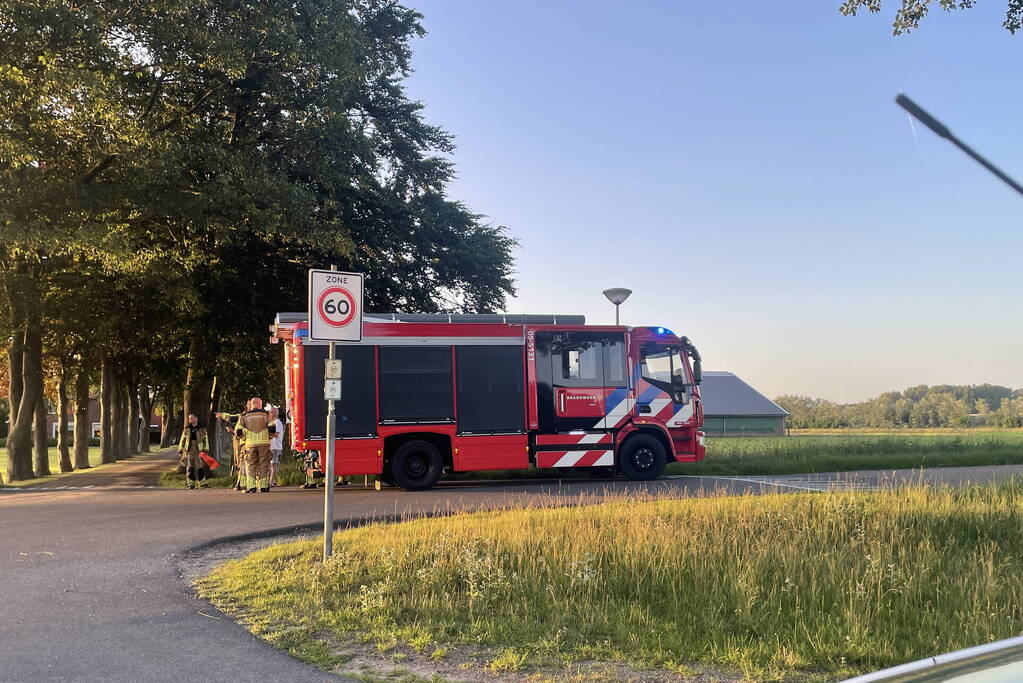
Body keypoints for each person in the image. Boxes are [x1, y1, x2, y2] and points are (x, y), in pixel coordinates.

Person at [234, 397, 276, 493]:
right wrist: (270, 436)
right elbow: (272, 427)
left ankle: (251, 487)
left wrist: (244, 438)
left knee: (250, 465)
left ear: (252, 404)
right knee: (264, 464)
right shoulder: (265, 416)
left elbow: (238, 431)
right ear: (260, 405)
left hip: (250, 445)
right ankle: (264, 486)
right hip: (264, 444)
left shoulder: (244, 416)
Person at [177, 414, 209, 490]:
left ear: (196, 418)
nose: (190, 420)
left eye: (191, 418)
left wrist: (206, 449)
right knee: (190, 467)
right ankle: (190, 484)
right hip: (189, 450)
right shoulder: (187, 429)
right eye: (189, 418)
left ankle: (202, 483)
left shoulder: (202, 429)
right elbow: (183, 440)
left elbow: (206, 440)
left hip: (199, 450)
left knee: (200, 466)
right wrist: (180, 450)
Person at [268, 406, 285, 487]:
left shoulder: (277, 422)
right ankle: (273, 480)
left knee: (273, 465)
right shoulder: (275, 422)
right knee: (273, 465)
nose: (269, 414)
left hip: (275, 447)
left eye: (270, 412)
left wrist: (268, 435)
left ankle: (271, 482)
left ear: (274, 413)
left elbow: (277, 434)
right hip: (274, 447)